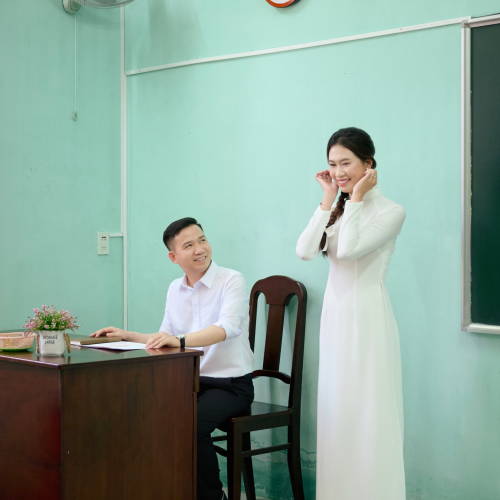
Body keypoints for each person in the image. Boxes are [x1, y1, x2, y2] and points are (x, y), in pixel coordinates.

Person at [92, 217, 255, 500]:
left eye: (202, 240)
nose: (199, 249)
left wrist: (178, 341)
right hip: (190, 383)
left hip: (231, 385)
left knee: (190, 425)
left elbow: (226, 328)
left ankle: (213, 497)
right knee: (145, 413)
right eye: (188, 245)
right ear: (173, 256)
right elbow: (164, 337)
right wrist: (127, 335)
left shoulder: (232, 280)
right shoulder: (174, 289)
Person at [296, 127, 406, 500]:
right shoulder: (338, 207)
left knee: (368, 412)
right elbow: (305, 251)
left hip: (368, 318)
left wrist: (355, 197)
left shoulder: (391, 211)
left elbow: (349, 251)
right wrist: (329, 199)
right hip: (336, 318)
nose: (338, 172)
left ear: (368, 164)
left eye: (346, 163)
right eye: (332, 164)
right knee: (337, 412)